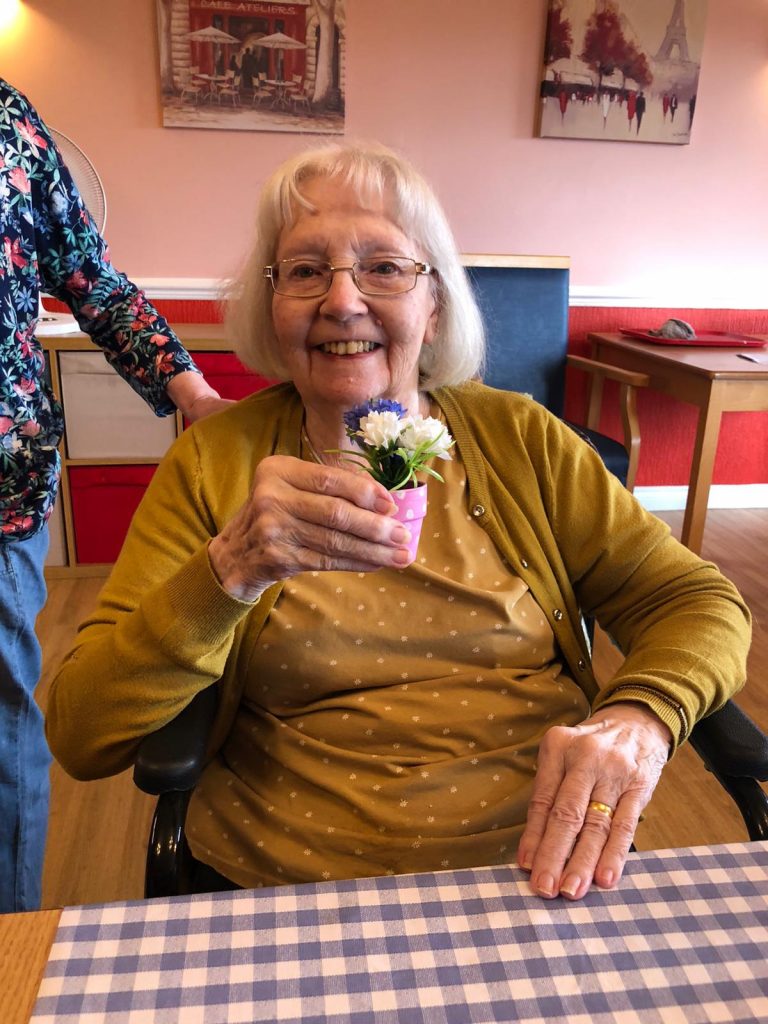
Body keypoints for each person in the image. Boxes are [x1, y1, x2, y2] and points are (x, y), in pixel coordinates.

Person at [46, 142, 751, 904]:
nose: (342, 301)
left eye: (383, 267)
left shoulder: (522, 439)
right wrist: (229, 572)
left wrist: (641, 717)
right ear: (271, 306)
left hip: (545, 871)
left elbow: (697, 601)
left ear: (435, 302)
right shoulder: (213, 462)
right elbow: (83, 732)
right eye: (306, 270)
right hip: (285, 885)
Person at [0, 78, 230, 913]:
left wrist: (192, 392)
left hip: (0, 491)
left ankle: (10, 940)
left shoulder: (10, 125)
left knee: (0, 728)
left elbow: (90, 278)